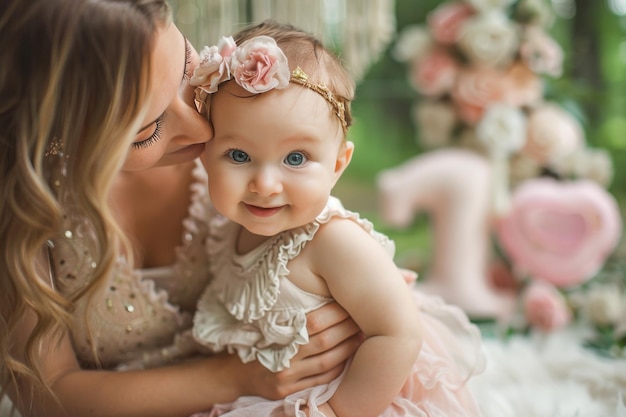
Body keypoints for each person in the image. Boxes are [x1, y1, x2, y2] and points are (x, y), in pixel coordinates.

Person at [0, 2, 372, 416]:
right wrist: (237, 377)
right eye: (147, 131)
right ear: (57, 136)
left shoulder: (241, 112)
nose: (201, 127)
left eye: (185, 69)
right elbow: (44, 394)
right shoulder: (21, 211)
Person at [189, 21, 485, 417]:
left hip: (361, 394)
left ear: (337, 165)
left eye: (295, 158)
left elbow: (398, 333)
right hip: (276, 391)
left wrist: (336, 411)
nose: (265, 183)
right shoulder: (225, 230)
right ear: (206, 156)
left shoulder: (331, 241)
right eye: (239, 156)